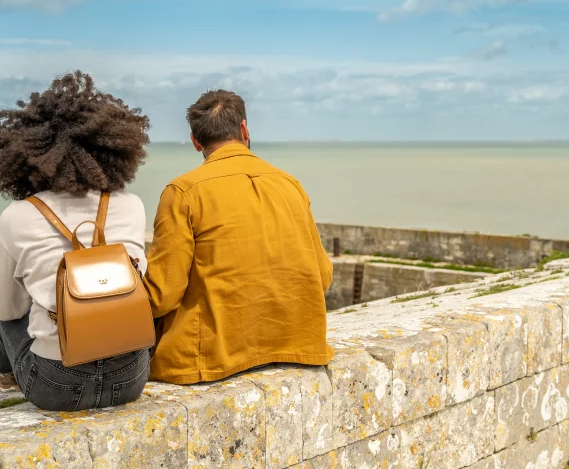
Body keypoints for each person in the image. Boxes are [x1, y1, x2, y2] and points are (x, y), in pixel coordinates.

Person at [144, 89, 333, 385]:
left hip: (210, 359)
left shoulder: (183, 192)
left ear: (196, 142)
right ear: (244, 129)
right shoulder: (289, 184)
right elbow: (322, 276)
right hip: (297, 348)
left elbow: (162, 295)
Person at [0, 72, 151, 411]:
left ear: (26, 153)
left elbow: (7, 310)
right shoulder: (131, 205)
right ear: (112, 147)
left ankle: (6, 377)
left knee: (6, 313)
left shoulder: (17, 216)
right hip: (131, 378)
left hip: (54, 385)